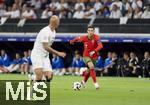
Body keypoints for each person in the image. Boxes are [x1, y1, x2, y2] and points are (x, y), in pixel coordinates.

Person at [31, 15, 66, 82]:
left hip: (45, 56)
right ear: (55, 23)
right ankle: (31, 91)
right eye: (58, 21)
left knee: (49, 77)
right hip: (37, 54)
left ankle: (33, 78)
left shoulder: (54, 32)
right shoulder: (45, 31)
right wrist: (58, 53)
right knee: (39, 76)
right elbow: (46, 47)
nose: (59, 23)